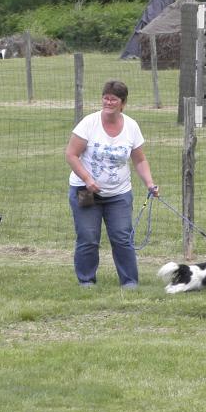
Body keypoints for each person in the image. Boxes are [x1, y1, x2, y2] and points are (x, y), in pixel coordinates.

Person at [66, 79, 159, 289]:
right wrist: (88, 180)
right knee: (88, 237)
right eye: (106, 98)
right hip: (86, 192)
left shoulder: (131, 127)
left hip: (119, 194)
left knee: (122, 237)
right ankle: (86, 280)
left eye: (113, 99)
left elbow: (139, 159)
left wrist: (150, 183)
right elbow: (71, 155)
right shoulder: (88, 124)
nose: (108, 102)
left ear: (123, 103)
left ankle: (129, 281)